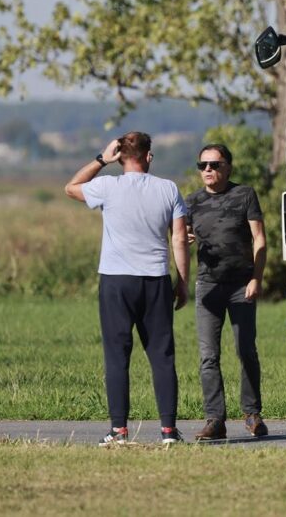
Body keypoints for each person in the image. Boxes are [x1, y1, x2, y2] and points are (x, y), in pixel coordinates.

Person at [65, 131, 189, 446]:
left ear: (120, 157)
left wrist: (100, 160)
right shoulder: (168, 189)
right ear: (149, 156)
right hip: (155, 280)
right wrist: (183, 282)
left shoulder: (107, 186)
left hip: (116, 281)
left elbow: (71, 188)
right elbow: (178, 239)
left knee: (117, 356)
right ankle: (168, 431)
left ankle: (119, 430)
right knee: (162, 356)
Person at [184, 143, 268, 441]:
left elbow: (259, 239)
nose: (208, 170)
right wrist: (186, 238)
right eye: (203, 165)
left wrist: (257, 278)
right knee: (208, 356)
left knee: (246, 350)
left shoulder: (244, 194)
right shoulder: (191, 202)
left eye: (214, 164)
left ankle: (252, 413)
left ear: (228, 167)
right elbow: (180, 237)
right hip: (208, 287)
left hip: (241, 285)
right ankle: (215, 420)